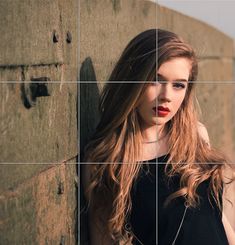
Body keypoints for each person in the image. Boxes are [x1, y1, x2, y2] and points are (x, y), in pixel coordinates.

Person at [81, 29, 235, 245]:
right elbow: (104, 239)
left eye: (179, 85)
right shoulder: (106, 159)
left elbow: (216, 219)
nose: (166, 96)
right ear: (132, 81)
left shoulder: (196, 136)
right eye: (155, 80)